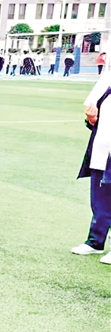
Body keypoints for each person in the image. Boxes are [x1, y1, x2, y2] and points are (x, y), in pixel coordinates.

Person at [72, 70, 111, 262]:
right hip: (101, 148)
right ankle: (96, 241)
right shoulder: (107, 80)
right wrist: (91, 118)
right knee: (99, 199)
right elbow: (93, 117)